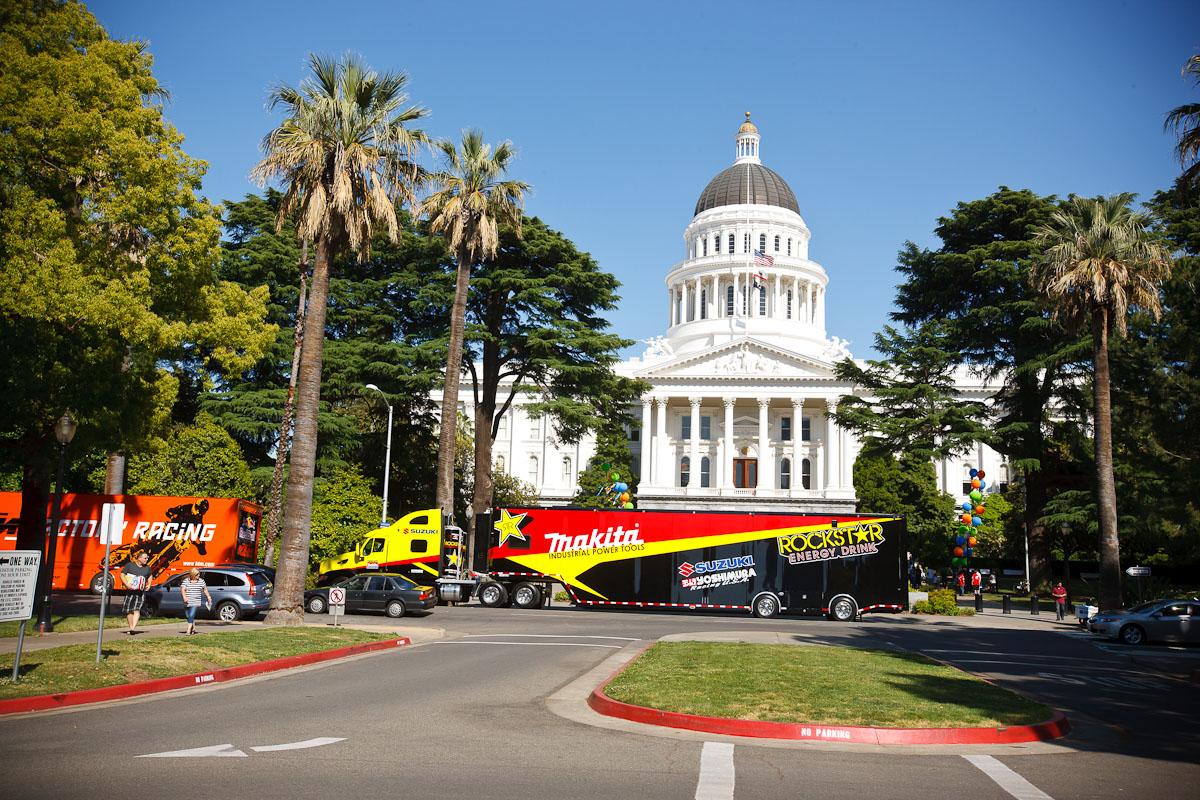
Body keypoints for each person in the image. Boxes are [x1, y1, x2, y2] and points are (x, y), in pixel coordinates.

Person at [120, 550, 152, 635]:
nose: (146, 559)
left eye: (147, 558)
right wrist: (126, 584)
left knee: (137, 609)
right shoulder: (130, 565)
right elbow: (122, 574)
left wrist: (149, 584)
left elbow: (150, 576)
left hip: (140, 592)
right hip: (130, 591)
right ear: (139, 558)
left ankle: (133, 628)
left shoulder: (147, 568)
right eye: (145, 558)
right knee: (129, 610)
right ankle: (131, 628)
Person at [179, 568, 212, 636]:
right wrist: (184, 597)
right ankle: (193, 628)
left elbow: (205, 589)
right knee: (188, 616)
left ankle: (188, 630)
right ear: (193, 575)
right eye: (197, 574)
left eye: (199, 574)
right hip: (187, 601)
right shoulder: (186, 581)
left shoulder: (201, 581)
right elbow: (182, 589)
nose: (199, 575)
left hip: (195, 601)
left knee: (191, 615)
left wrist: (208, 597)